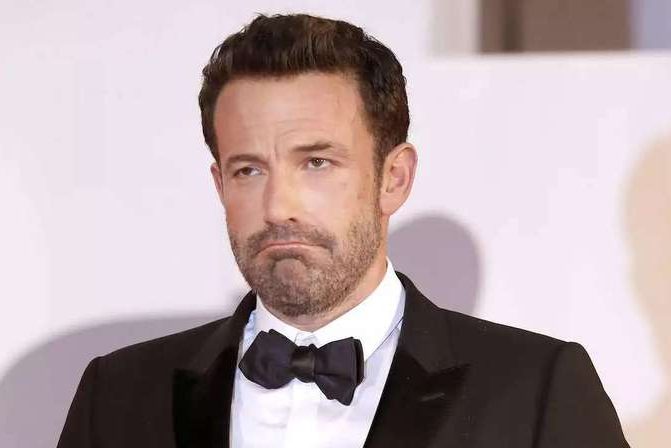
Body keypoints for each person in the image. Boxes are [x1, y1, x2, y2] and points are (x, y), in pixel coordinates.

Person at [57, 13, 629, 448]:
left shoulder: (535, 391)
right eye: (249, 170)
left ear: (394, 178)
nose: (278, 206)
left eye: (317, 163)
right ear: (219, 184)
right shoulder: (118, 396)